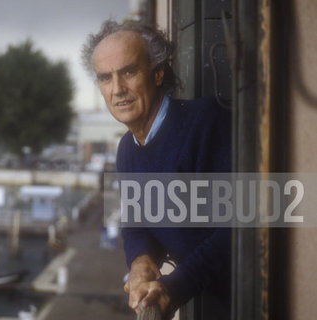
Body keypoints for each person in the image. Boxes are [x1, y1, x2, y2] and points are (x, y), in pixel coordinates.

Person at [82, 20, 231, 319]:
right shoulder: (126, 149)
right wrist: (140, 262)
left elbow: (239, 231)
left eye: (129, 71)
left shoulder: (205, 123)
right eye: (106, 78)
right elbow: (137, 224)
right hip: (207, 298)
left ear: (157, 72)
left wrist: (174, 288)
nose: (118, 89)